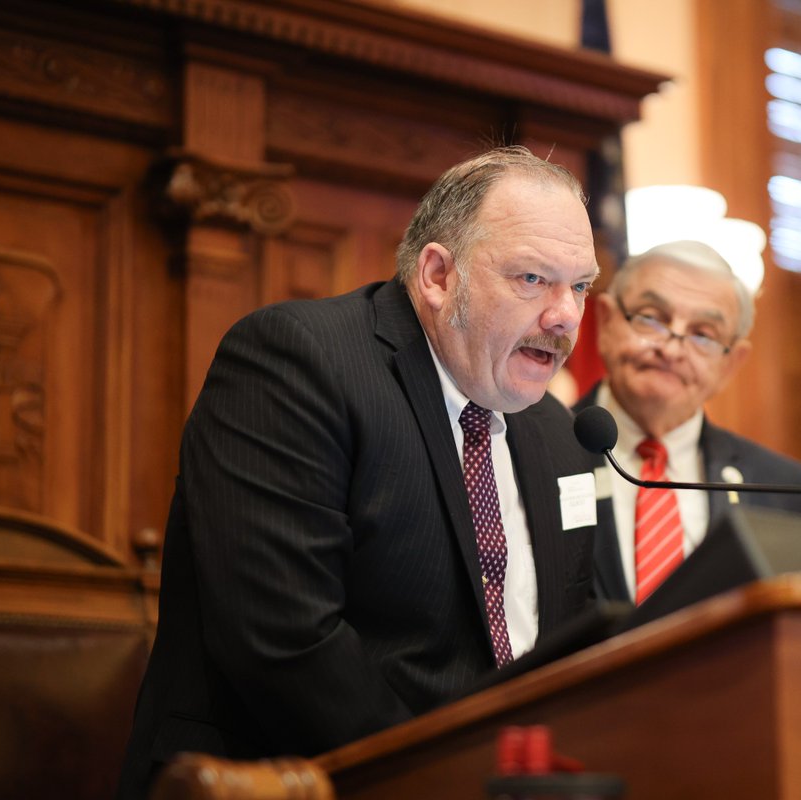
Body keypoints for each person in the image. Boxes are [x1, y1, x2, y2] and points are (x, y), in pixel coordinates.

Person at [116, 146, 605, 798]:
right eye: (532, 280)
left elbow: (568, 645)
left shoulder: (559, 432)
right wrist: (447, 783)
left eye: (579, 286)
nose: (565, 316)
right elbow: (285, 642)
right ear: (437, 274)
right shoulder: (300, 362)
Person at [573, 240, 801, 605]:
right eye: (651, 318)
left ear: (731, 363)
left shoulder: (794, 496)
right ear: (606, 321)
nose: (672, 349)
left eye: (702, 335)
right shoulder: (534, 451)